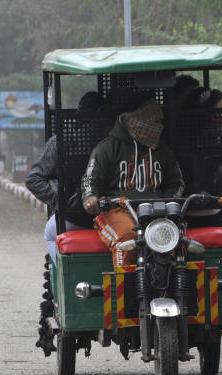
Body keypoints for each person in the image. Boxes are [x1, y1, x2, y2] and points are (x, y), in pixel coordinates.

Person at [81, 98, 184, 267]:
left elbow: (176, 183)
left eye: (159, 122)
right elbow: (90, 180)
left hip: (155, 211)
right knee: (128, 239)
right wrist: (90, 197)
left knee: (172, 239)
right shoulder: (106, 148)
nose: (158, 127)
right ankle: (124, 291)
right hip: (117, 210)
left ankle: (174, 289)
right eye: (152, 122)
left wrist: (166, 202)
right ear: (132, 121)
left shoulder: (163, 151)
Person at [26, 91, 103, 265]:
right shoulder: (114, 143)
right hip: (108, 213)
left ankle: (65, 275)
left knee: (50, 234)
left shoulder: (62, 140)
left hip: (75, 216)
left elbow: (33, 180)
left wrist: (64, 198)